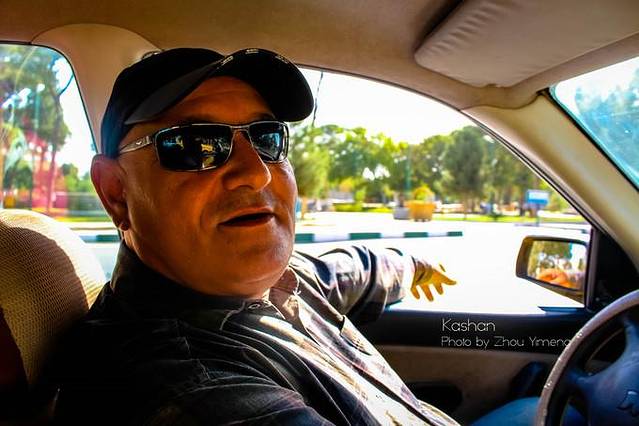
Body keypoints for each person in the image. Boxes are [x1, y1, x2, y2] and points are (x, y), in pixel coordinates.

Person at [50, 48, 583, 425]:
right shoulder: (186, 386)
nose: (256, 172)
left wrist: (413, 266)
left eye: (266, 137)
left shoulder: (281, 283)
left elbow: (356, 267)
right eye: (196, 145)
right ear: (115, 192)